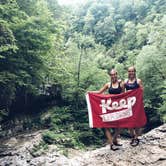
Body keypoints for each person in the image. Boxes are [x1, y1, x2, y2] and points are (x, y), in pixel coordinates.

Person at [88, 69, 125, 150]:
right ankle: (111, 144)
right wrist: (90, 92)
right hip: (109, 107)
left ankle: (114, 139)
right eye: (112, 75)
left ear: (117, 75)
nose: (113, 76)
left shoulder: (121, 84)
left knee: (121, 124)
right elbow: (99, 92)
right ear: (110, 76)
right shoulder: (108, 84)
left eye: (115, 74)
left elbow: (124, 95)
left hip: (118, 107)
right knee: (106, 125)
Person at [124, 66, 143, 146]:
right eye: (129, 71)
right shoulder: (125, 81)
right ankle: (132, 136)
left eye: (132, 71)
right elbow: (123, 93)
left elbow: (142, 91)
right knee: (129, 121)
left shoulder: (138, 81)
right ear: (128, 72)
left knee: (137, 121)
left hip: (137, 104)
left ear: (135, 72)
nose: (131, 73)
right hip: (128, 104)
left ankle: (136, 137)